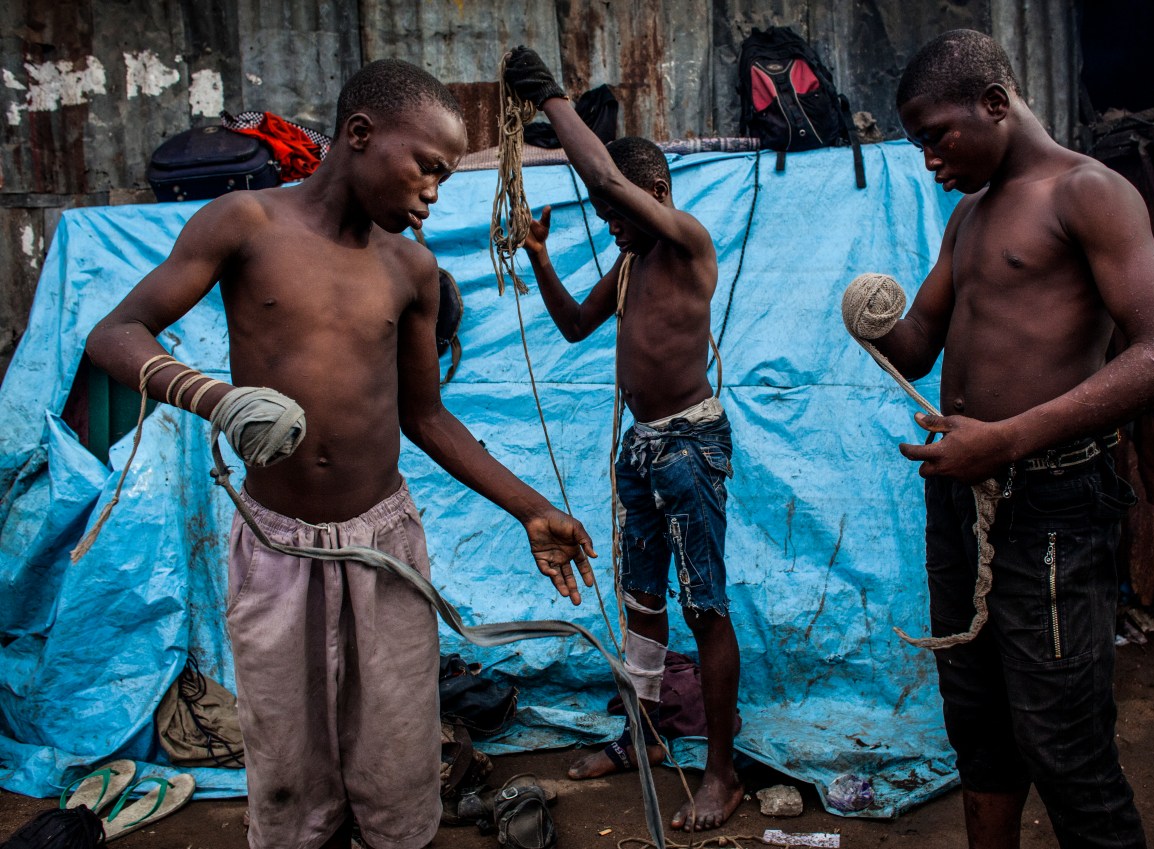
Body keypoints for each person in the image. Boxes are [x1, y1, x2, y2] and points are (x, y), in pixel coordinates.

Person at [85, 59, 596, 849]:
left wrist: (532, 507)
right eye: (427, 166)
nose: (434, 190)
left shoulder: (412, 270)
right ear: (360, 136)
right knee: (288, 764)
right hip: (274, 544)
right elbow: (116, 334)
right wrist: (215, 398)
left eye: (444, 174)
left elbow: (427, 417)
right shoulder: (243, 225)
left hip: (383, 544)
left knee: (395, 756)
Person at [867, 29, 1154, 849]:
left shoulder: (1088, 192)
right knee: (979, 733)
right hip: (960, 496)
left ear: (993, 103)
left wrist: (1004, 440)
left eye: (936, 136)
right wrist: (864, 315)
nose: (931, 163)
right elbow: (916, 345)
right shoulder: (968, 218)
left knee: (1064, 743)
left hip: (1051, 501)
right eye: (918, 146)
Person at [502, 46, 744, 832]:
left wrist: (553, 98)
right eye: (606, 223)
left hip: (690, 445)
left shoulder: (683, 240)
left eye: (619, 215)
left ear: (657, 196)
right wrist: (539, 257)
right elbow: (575, 325)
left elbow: (606, 178)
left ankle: (722, 771)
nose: (611, 227)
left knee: (703, 605)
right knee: (642, 600)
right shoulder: (636, 261)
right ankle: (639, 733)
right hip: (641, 449)